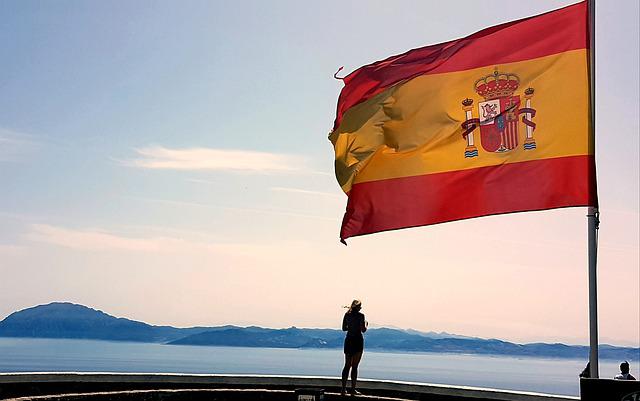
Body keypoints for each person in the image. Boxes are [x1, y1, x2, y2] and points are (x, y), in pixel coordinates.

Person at [341, 299, 367, 396]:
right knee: (355, 366)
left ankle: (343, 389)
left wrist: (351, 327)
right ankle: (353, 389)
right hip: (357, 341)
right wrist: (366, 324)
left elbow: (344, 328)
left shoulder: (347, 315)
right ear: (358, 307)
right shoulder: (361, 316)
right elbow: (363, 330)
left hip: (349, 340)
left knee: (347, 365)